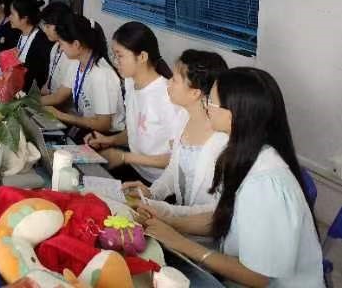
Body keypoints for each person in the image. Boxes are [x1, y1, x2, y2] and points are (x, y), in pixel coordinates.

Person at [139, 68, 324, 287]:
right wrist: (169, 220)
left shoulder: (264, 184)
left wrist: (180, 243)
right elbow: (225, 217)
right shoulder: (240, 155)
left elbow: (257, 277)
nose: (206, 106)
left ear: (234, 114)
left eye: (211, 102)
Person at [124, 50, 228, 221]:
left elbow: (215, 209)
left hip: (203, 229)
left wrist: (165, 212)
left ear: (195, 93)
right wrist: (151, 193)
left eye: (175, 80)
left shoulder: (221, 139)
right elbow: (174, 169)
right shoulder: (183, 116)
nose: (168, 83)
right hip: (179, 220)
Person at [85, 21, 181, 183]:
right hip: (136, 168)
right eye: (114, 55)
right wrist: (108, 140)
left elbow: (177, 159)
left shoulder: (167, 97)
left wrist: (124, 157)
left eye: (120, 56)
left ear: (142, 57)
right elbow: (137, 131)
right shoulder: (130, 82)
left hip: (158, 183)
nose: (115, 61)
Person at [42, 14, 125, 136]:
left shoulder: (101, 74)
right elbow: (60, 94)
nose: (61, 48)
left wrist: (60, 115)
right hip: (87, 128)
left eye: (61, 43)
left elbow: (103, 124)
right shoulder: (77, 62)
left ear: (76, 44)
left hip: (106, 135)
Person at [10, 0, 53, 91]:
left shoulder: (41, 41)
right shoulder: (18, 35)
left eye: (12, 14)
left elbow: (36, 75)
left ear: (25, 18)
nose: (9, 17)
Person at [37, 1, 75, 96]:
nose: (44, 30)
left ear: (61, 25)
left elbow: (61, 97)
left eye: (48, 26)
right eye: (44, 26)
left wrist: (39, 100)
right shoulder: (55, 47)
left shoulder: (72, 53)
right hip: (50, 98)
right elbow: (49, 79)